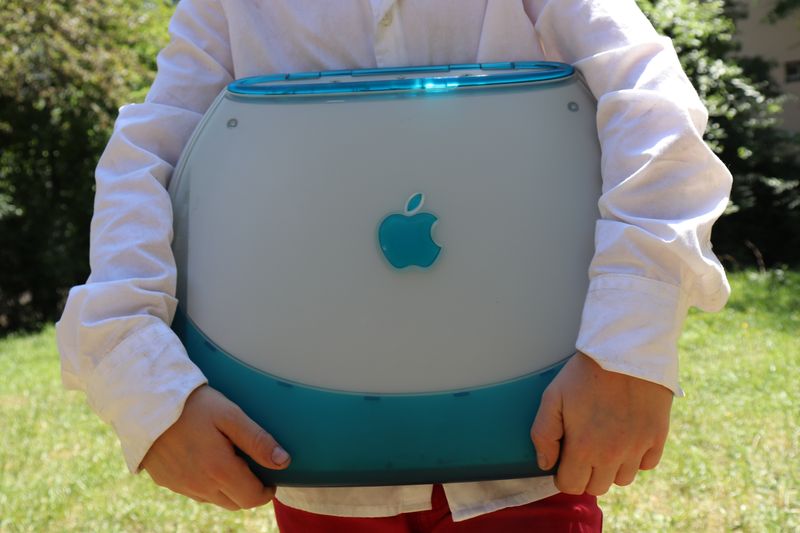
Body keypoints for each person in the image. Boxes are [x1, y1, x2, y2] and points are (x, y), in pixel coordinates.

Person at [56, 0, 731, 530]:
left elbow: (653, 105)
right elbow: (149, 158)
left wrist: (623, 352)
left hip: (534, 452)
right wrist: (145, 385)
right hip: (311, 453)